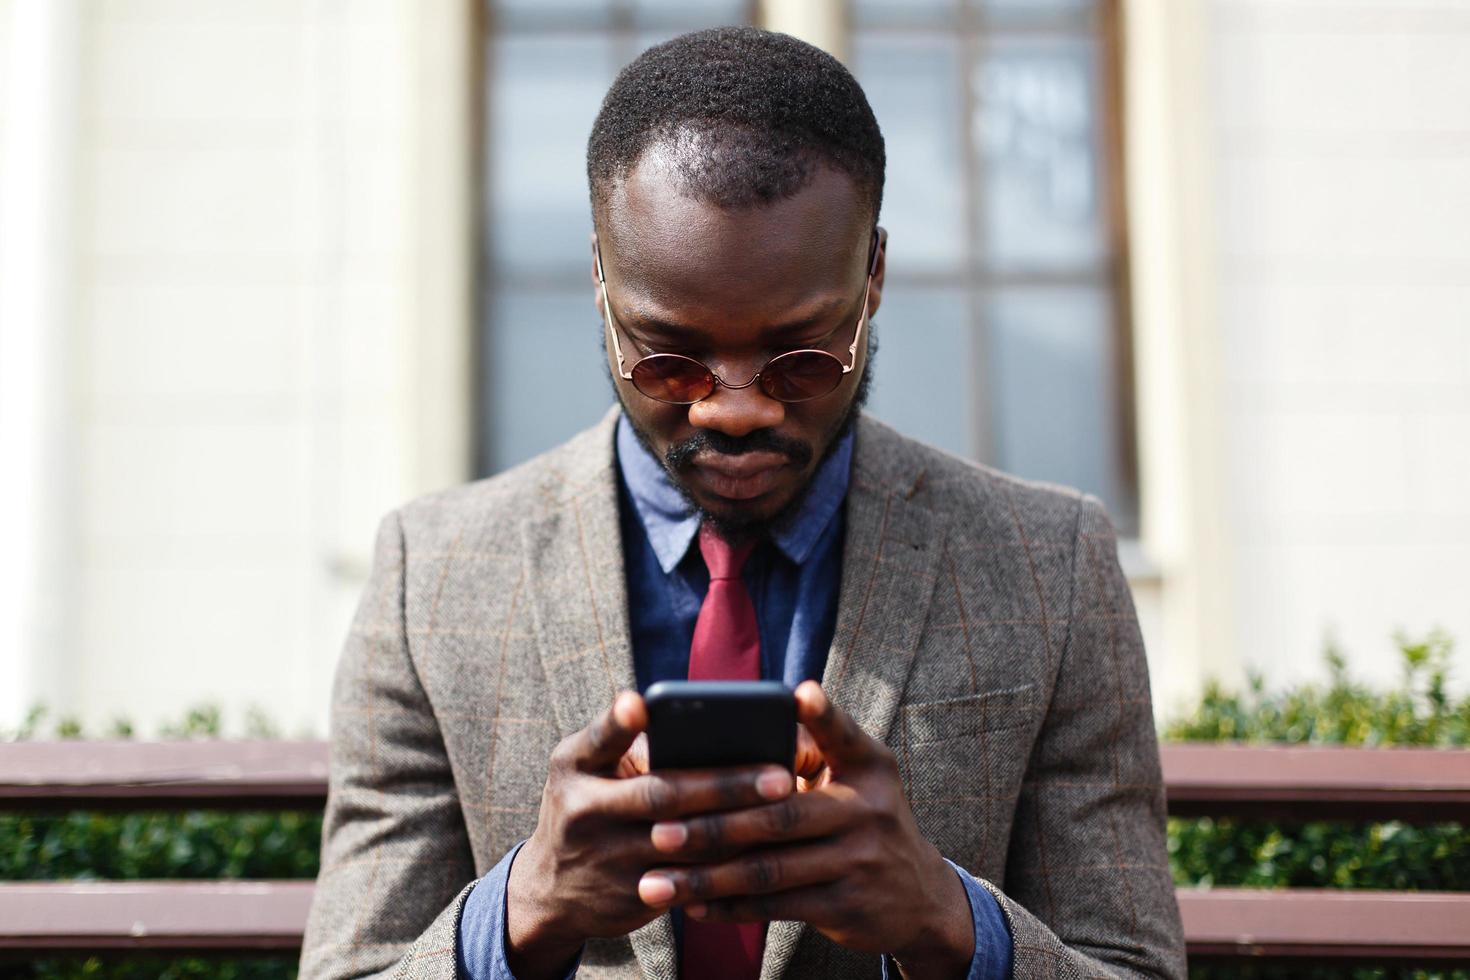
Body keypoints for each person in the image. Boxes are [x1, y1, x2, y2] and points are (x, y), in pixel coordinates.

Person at [300, 26, 1185, 980]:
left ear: (872, 279)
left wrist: (945, 917)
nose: (735, 409)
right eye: (669, 358)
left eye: (801, 357)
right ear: (601, 281)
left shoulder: (1051, 563)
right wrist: (522, 910)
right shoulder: (427, 579)